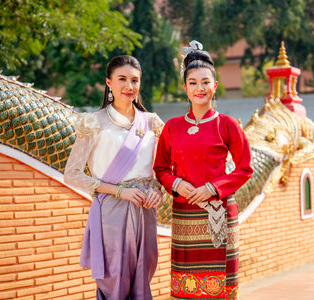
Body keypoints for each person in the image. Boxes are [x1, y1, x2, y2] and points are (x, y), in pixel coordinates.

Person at [153, 41, 253, 299]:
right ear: (185, 88)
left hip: (218, 216)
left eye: (205, 82)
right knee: (186, 287)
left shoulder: (227, 125)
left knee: (220, 289)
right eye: (194, 83)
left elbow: (244, 168)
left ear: (215, 86)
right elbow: (160, 168)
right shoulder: (172, 128)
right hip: (185, 216)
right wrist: (175, 184)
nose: (200, 88)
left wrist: (213, 188)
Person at [64, 55, 164, 300]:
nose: (129, 86)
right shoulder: (93, 122)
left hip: (145, 209)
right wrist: (118, 191)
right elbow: (72, 174)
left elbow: (162, 169)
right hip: (112, 210)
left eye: (134, 80)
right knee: (115, 281)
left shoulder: (152, 123)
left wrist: (158, 190)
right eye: (122, 79)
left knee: (143, 279)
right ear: (109, 83)